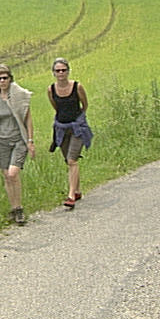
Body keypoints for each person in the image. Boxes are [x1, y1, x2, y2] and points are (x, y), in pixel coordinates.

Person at [0, 64, 33, 225]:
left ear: (10, 78)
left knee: (13, 173)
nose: (2, 81)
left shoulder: (19, 94)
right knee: (7, 177)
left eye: (5, 78)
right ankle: (14, 208)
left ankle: (19, 208)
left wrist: (30, 140)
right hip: (2, 140)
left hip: (19, 139)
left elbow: (28, 118)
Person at [46, 57, 92, 209]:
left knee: (72, 160)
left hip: (77, 128)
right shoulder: (51, 90)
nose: (61, 73)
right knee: (68, 160)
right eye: (57, 71)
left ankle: (71, 195)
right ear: (53, 73)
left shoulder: (77, 87)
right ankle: (77, 191)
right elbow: (56, 107)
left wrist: (79, 119)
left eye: (63, 70)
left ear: (68, 71)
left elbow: (84, 104)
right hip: (61, 128)